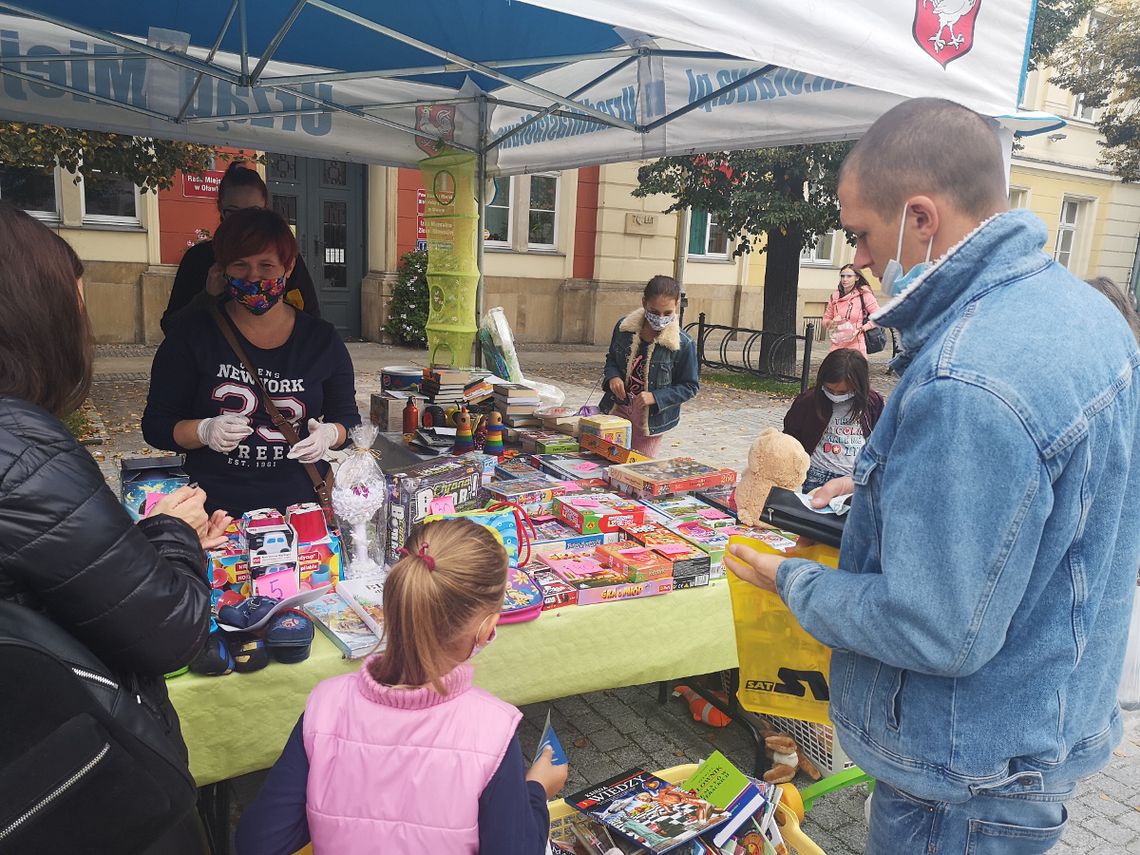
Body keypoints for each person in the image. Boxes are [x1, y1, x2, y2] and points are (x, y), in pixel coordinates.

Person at [725, 98, 1140, 855]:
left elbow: (932, 624)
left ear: (921, 218)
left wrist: (790, 581)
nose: (859, 259)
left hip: (962, 772)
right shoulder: (1087, 313)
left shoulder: (968, 377)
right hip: (1033, 730)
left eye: (861, 234)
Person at [0, 202, 227, 854]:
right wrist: (170, 533)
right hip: (79, 784)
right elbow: (174, 627)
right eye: (74, 309)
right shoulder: (20, 447)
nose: (85, 331)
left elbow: (58, 576)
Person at [235, 518, 567, 854]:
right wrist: (536, 792)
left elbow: (258, 841)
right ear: (487, 629)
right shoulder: (493, 730)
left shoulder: (325, 706)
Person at [143, 207, 360, 517]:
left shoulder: (320, 340)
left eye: (266, 265)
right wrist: (203, 430)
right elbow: (156, 426)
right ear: (222, 269)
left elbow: (349, 421)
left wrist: (330, 434)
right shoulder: (192, 336)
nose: (253, 276)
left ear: (288, 267)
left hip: (301, 512)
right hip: (213, 513)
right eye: (240, 265)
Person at [161, 161, 320, 334]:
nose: (243, 223)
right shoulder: (199, 258)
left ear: (265, 208)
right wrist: (207, 297)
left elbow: (313, 320)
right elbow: (171, 327)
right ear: (221, 209)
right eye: (234, 212)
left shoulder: (282, 257)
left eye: (253, 212)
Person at [600, 275, 699, 456]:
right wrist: (613, 376)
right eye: (654, 312)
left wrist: (656, 397)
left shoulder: (683, 344)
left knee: (637, 468)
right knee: (606, 459)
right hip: (617, 407)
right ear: (644, 303)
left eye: (667, 313)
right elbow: (612, 359)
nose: (660, 319)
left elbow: (690, 386)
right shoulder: (624, 328)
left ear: (677, 304)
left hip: (651, 419)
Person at [782, 348, 884, 492]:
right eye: (829, 389)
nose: (835, 395)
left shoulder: (872, 402)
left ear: (858, 386)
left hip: (856, 478)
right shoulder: (808, 401)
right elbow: (790, 436)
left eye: (843, 392)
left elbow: (882, 437)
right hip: (818, 475)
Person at [821, 263, 881, 354]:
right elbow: (825, 320)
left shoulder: (864, 295)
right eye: (842, 276)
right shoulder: (835, 297)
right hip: (837, 345)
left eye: (849, 276)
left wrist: (861, 329)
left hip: (856, 346)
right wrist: (832, 322)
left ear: (857, 278)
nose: (845, 279)